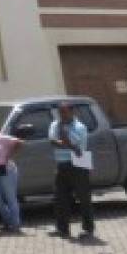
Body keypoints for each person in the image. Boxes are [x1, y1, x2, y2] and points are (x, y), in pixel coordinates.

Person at [50, 101, 95, 239]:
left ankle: (88, 229)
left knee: (84, 198)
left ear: (72, 112)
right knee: (60, 197)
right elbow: (52, 141)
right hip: (62, 164)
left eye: (64, 112)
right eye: (60, 112)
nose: (61, 115)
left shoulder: (80, 127)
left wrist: (64, 137)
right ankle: (63, 229)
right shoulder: (54, 124)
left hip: (79, 164)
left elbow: (72, 144)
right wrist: (64, 142)